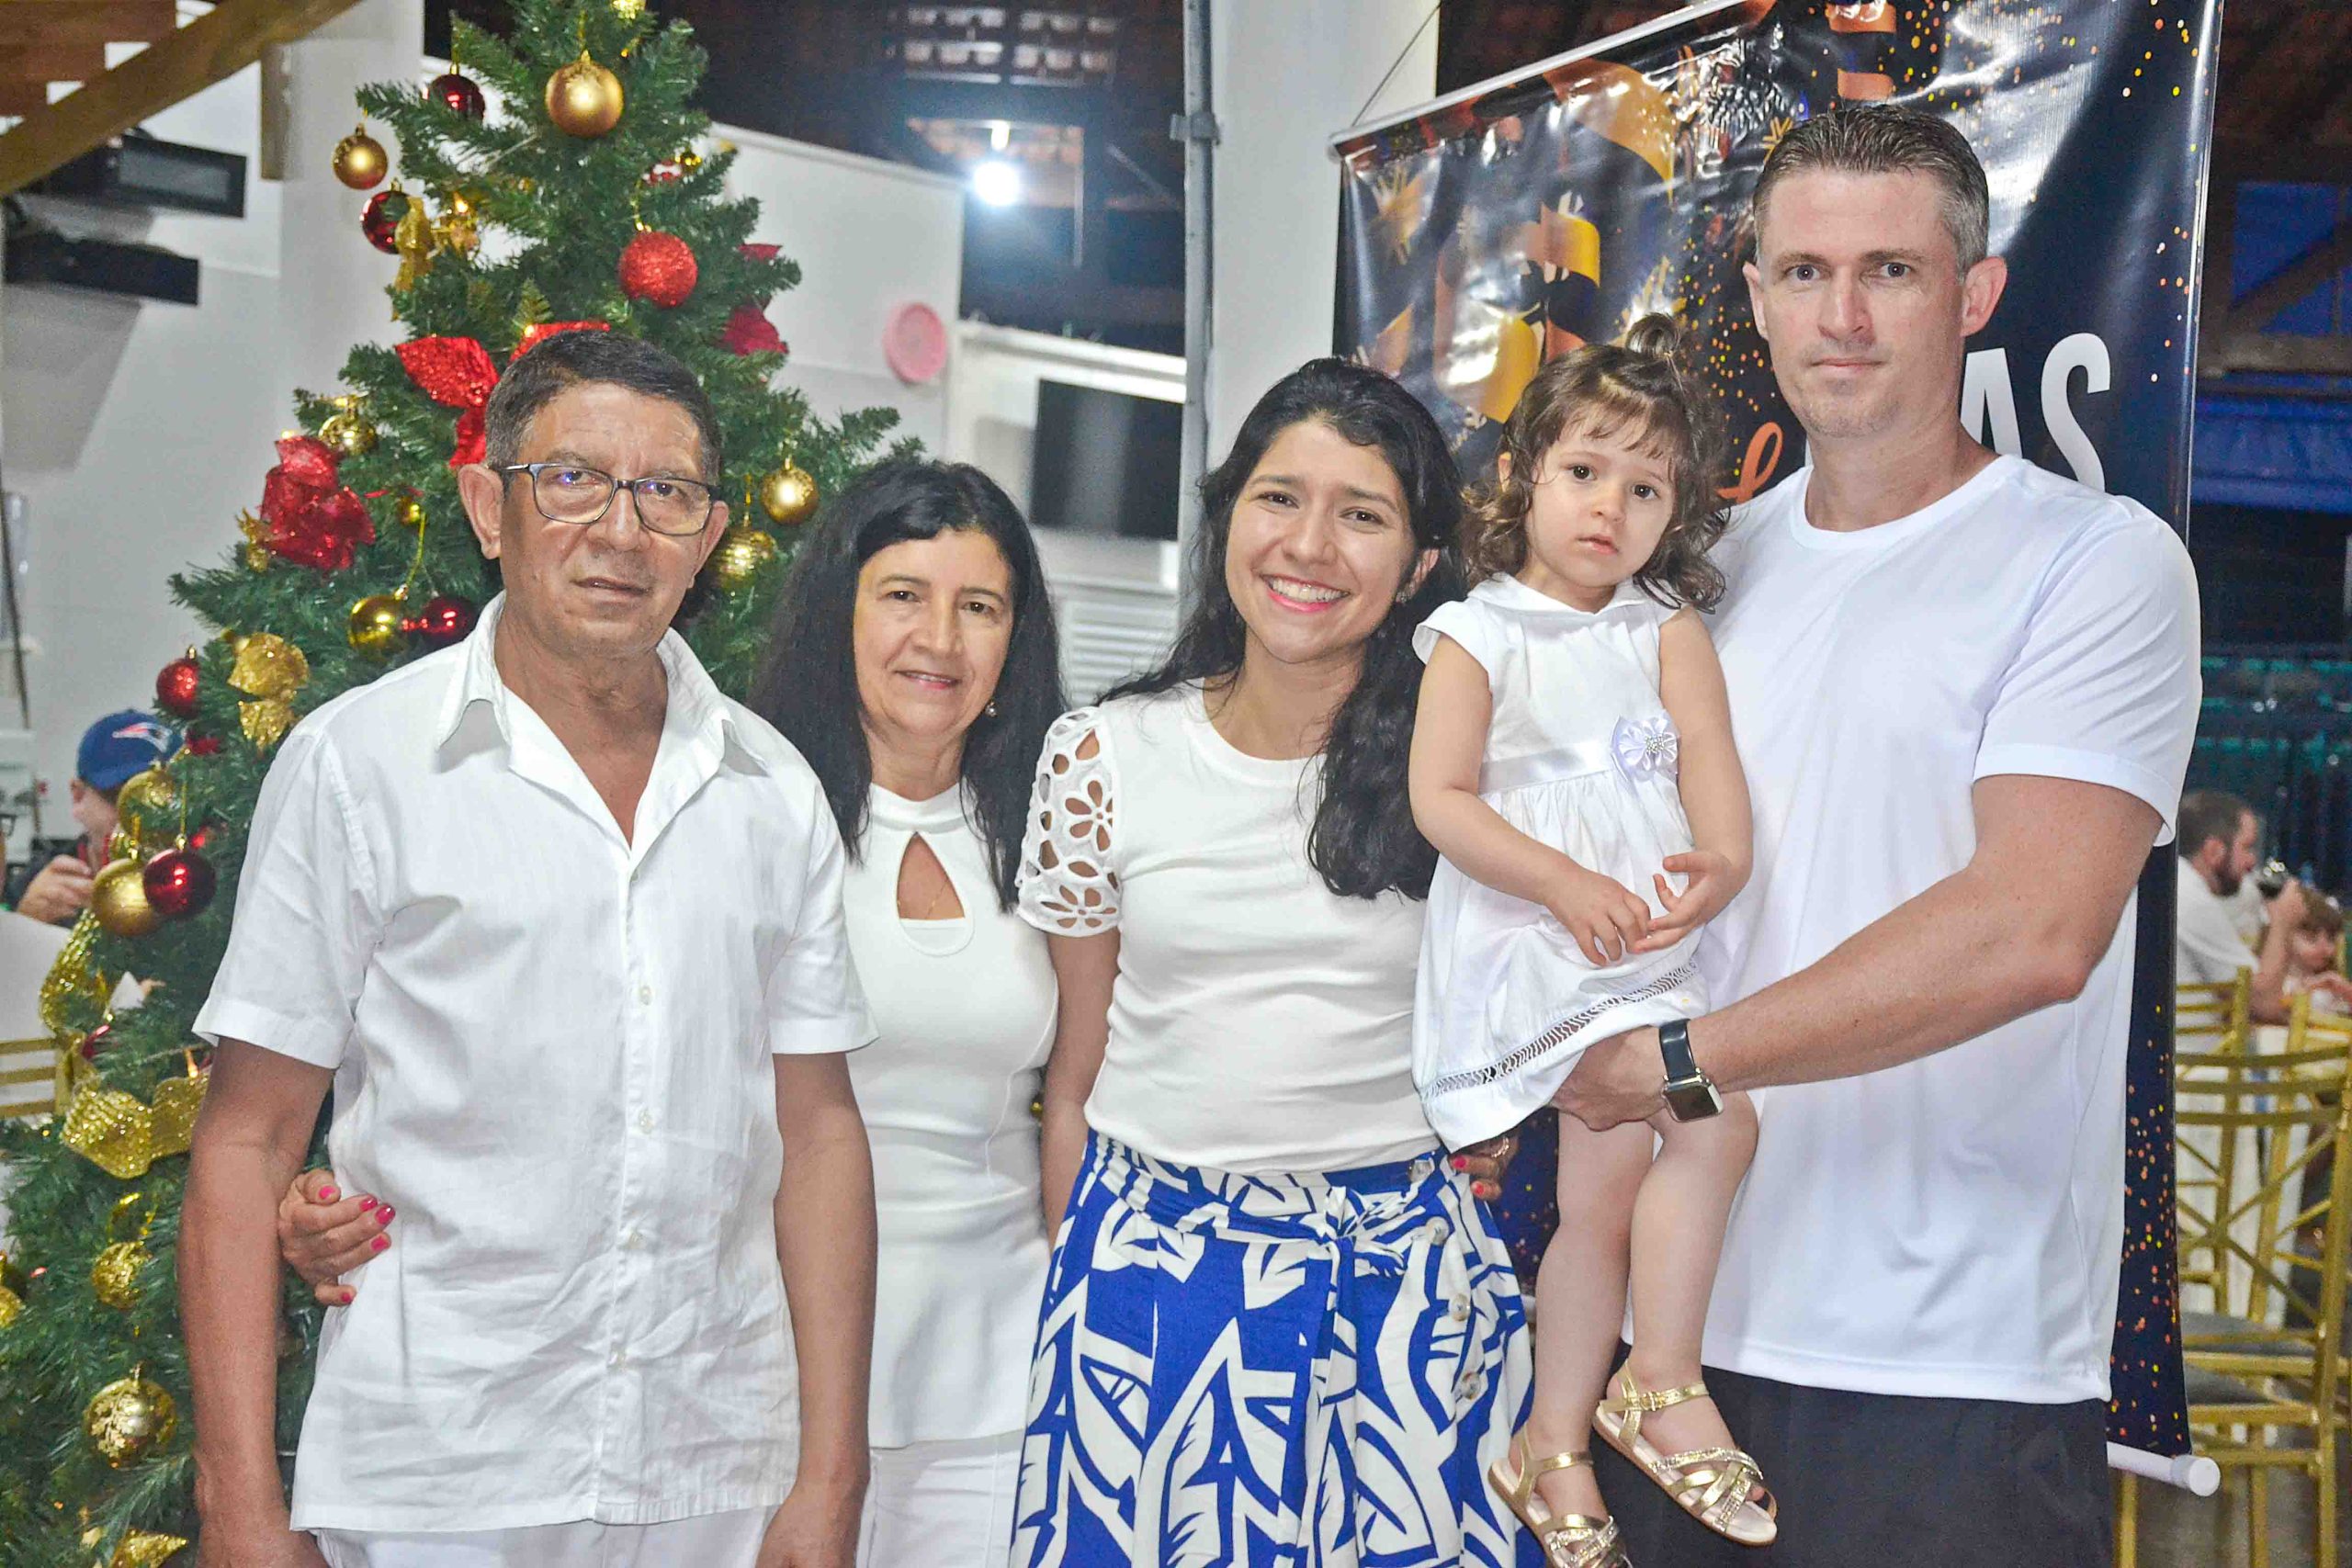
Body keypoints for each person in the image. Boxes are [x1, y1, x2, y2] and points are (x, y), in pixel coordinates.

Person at [1549, 106, 2200, 1567]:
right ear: (1756, 294)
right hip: (1680, 1342)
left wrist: (1676, 1061)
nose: (1840, 316)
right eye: (1804, 272)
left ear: (1975, 295)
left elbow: (2032, 928)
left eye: (1890, 272)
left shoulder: (2094, 560)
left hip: (1951, 1356)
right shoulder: (1702, 573)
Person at [181, 330, 878, 1568]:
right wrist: (238, 1502)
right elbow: (246, 1140)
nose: (621, 530)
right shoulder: (360, 766)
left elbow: (818, 1134)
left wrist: (832, 1474)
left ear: (709, 536)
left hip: (714, 1460)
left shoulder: (772, 790)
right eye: (572, 480)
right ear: (485, 507)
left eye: (666, 493)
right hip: (439, 1468)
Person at [1012, 358, 1537, 1568]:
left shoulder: (1473, 776)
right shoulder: (1104, 754)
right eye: (1279, 498)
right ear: (1227, 516)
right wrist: (1084, 1290)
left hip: (1405, 1283)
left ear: (1419, 564)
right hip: (1151, 1280)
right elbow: (1074, 1076)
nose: (1309, 545)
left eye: (1362, 514)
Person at [1410, 321, 1766, 1565]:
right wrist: (1561, 882)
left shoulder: (1663, 628)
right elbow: (1441, 800)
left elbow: (1709, 754)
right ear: (1522, 476)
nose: (1611, 507)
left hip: (1637, 950)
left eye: (1646, 487)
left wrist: (1724, 861)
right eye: (1583, 471)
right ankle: (1659, 1376)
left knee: (1600, 1200)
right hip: (1533, 944)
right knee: (1717, 1118)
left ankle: (1551, 1440)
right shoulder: (1478, 632)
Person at [7, 709, 179, 923]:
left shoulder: (207, 887)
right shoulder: (33, 887)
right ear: (78, 796)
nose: (139, 819)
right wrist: (26, 921)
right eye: (120, 798)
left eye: (161, 800)